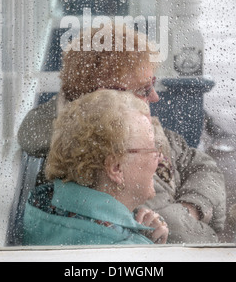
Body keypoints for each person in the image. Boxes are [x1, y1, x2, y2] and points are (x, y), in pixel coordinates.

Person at [18, 23, 226, 244]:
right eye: (145, 89)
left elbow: (201, 165)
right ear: (104, 96)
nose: (155, 97)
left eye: (153, 84)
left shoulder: (134, 126)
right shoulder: (98, 165)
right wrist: (178, 222)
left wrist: (191, 208)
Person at [23, 90, 169, 246]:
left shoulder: (42, 204)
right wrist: (150, 250)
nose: (160, 158)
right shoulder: (125, 249)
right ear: (116, 168)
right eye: (152, 150)